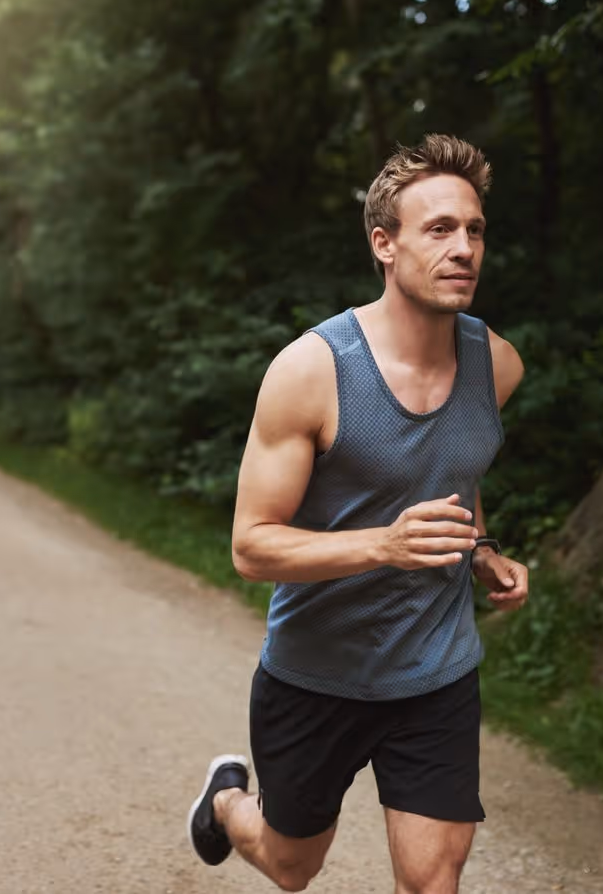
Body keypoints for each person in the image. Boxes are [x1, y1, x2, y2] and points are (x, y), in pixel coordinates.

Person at [186, 134, 530, 894]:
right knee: (290, 865)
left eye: (474, 230)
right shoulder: (312, 371)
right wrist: (385, 545)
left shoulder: (496, 365)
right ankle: (225, 803)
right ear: (385, 243)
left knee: (431, 881)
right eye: (439, 229)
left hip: (437, 674)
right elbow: (251, 547)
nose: (463, 247)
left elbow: (453, 468)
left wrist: (481, 546)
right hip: (317, 675)